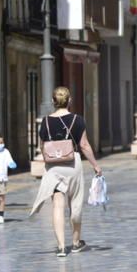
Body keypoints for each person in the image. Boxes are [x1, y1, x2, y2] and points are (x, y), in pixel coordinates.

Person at [29, 86, 102, 258]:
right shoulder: (77, 120)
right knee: (75, 204)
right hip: (72, 163)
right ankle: (76, 243)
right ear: (69, 101)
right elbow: (84, 145)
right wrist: (95, 165)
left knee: (57, 206)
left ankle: (61, 247)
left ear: (53, 102)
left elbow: (42, 146)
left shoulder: (45, 122)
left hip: (53, 167)